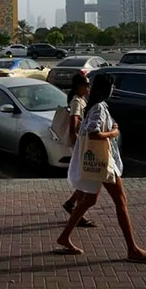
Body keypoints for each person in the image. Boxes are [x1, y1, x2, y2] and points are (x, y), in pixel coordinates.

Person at [56, 73, 146, 263]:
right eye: (112, 87)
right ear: (107, 89)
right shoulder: (99, 107)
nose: (114, 90)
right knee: (121, 202)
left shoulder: (94, 106)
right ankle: (132, 249)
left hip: (98, 161)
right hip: (104, 162)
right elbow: (94, 133)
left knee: (88, 200)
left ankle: (64, 237)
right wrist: (114, 132)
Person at [61, 73, 97, 228]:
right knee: (85, 181)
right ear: (78, 87)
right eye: (86, 85)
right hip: (80, 146)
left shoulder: (82, 100)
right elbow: (73, 123)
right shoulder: (77, 101)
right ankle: (76, 213)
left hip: (82, 145)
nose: (88, 88)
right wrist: (77, 145)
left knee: (84, 180)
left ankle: (71, 204)